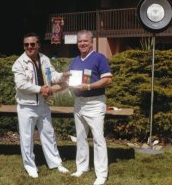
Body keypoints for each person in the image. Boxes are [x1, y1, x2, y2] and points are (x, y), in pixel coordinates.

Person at [12, 32, 70, 178]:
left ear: (38, 44)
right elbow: (21, 85)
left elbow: (52, 76)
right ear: (24, 46)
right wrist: (40, 89)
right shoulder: (19, 63)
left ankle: (56, 163)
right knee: (27, 138)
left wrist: (63, 75)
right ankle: (30, 166)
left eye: (32, 44)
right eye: (26, 45)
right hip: (26, 106)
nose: (29, 47)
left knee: (49, 134)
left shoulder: (44, 59)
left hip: (43, 104)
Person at [69, 30, 112, 185]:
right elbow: (70, 79)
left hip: (95, 102)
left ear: (91, 42)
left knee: (98, 139)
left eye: (85, 41)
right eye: (80, 41)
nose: (82, 44)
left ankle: (101, 174)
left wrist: (88, 86)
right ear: (77, 43)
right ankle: (82, 167)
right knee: (80, 137)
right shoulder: (74, 60)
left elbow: (107, 80)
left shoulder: (99, 58)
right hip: (79, 102)